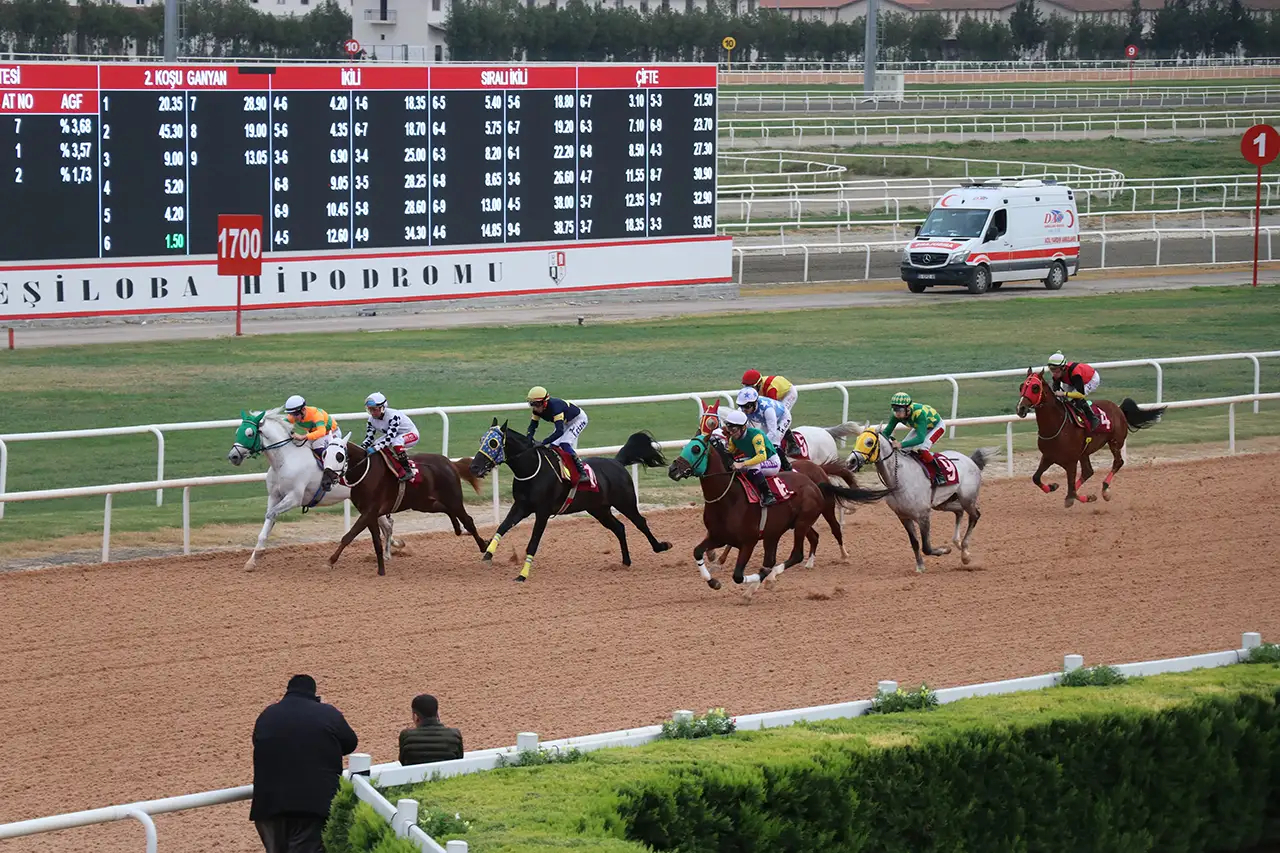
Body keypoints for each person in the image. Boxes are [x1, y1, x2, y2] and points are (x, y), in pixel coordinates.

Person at [250, 674, 358, 853]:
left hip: (267, 806)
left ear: (288, 691)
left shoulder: (267, 715)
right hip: (312, 805)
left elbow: (258, 742)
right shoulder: (328, 713)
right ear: (314, 693)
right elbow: (350, 743)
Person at [883, 391, 948, 486]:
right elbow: (886, 432)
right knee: (903, 450)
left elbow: (920, 439)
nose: (897, 413)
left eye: (900, 410)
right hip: (921, 427)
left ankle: (940, 475)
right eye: (895, 409)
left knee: (923, 449)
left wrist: (900, 444)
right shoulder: (896, 415)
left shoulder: (919, 413)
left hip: (936, 426)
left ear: (908, 408)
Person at [720, 408, 782, 506]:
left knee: (752, 467)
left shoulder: (756, 436)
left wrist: (742, 464)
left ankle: (768, 495)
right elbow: (729, 453)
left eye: (733, 429)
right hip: (755, 459)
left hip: (771, 462)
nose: (731, 433)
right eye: (729, 429)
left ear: (743, 428)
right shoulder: (733, 439)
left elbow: (762, 456)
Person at [526, 386, 589, 480]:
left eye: (537, 404)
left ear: (545, 402)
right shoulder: (537, 410)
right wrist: (528, 437)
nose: (535, 408)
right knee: (552, 447)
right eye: (532, 404)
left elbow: (559, 431)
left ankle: (582, 472)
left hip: (578, 419)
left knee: (565, 443)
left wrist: (543, 442)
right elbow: (533, 426)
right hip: (565, 421)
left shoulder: (556, 408)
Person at [361, 392, 419, 482]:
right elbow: (369, 438)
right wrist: (362, 447)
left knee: (396, 442)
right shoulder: (371, 420)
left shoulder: (393, 416)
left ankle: (407, 470)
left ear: (383, 407)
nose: (372, 413)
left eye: (374, 409)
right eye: (370, 410)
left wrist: (375, 448)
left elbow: (389, 439)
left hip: (410, 434)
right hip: (396, 435)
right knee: (376, 443)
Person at [397, 694, 464, 766]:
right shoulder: (454, 735)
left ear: (415, 716)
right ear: (437, 714)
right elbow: (459, 761)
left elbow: (403, 762)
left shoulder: (407, 737)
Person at [736, 386, 793, 471]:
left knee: (773, 442)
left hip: (782, 418)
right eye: (741, 406)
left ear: (754, 403)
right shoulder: (742, 410)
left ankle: (787, 467)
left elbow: (772, 432)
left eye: (747, 406)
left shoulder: (768, 410)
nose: (744, 410)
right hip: (765, 420)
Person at [1047, 351, 1102, 430]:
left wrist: (1064, 393)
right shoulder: (1058, 373)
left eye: (1055, 369)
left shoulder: (1075, 373)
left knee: (1076, 398)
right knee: (1064, 399)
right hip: (1071, 381)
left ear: (1063, 368)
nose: (1054, 373)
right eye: (1051, 369)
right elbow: (1055, 390)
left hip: (1091, 379)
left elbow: (1080, 394)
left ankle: (1093, 418)